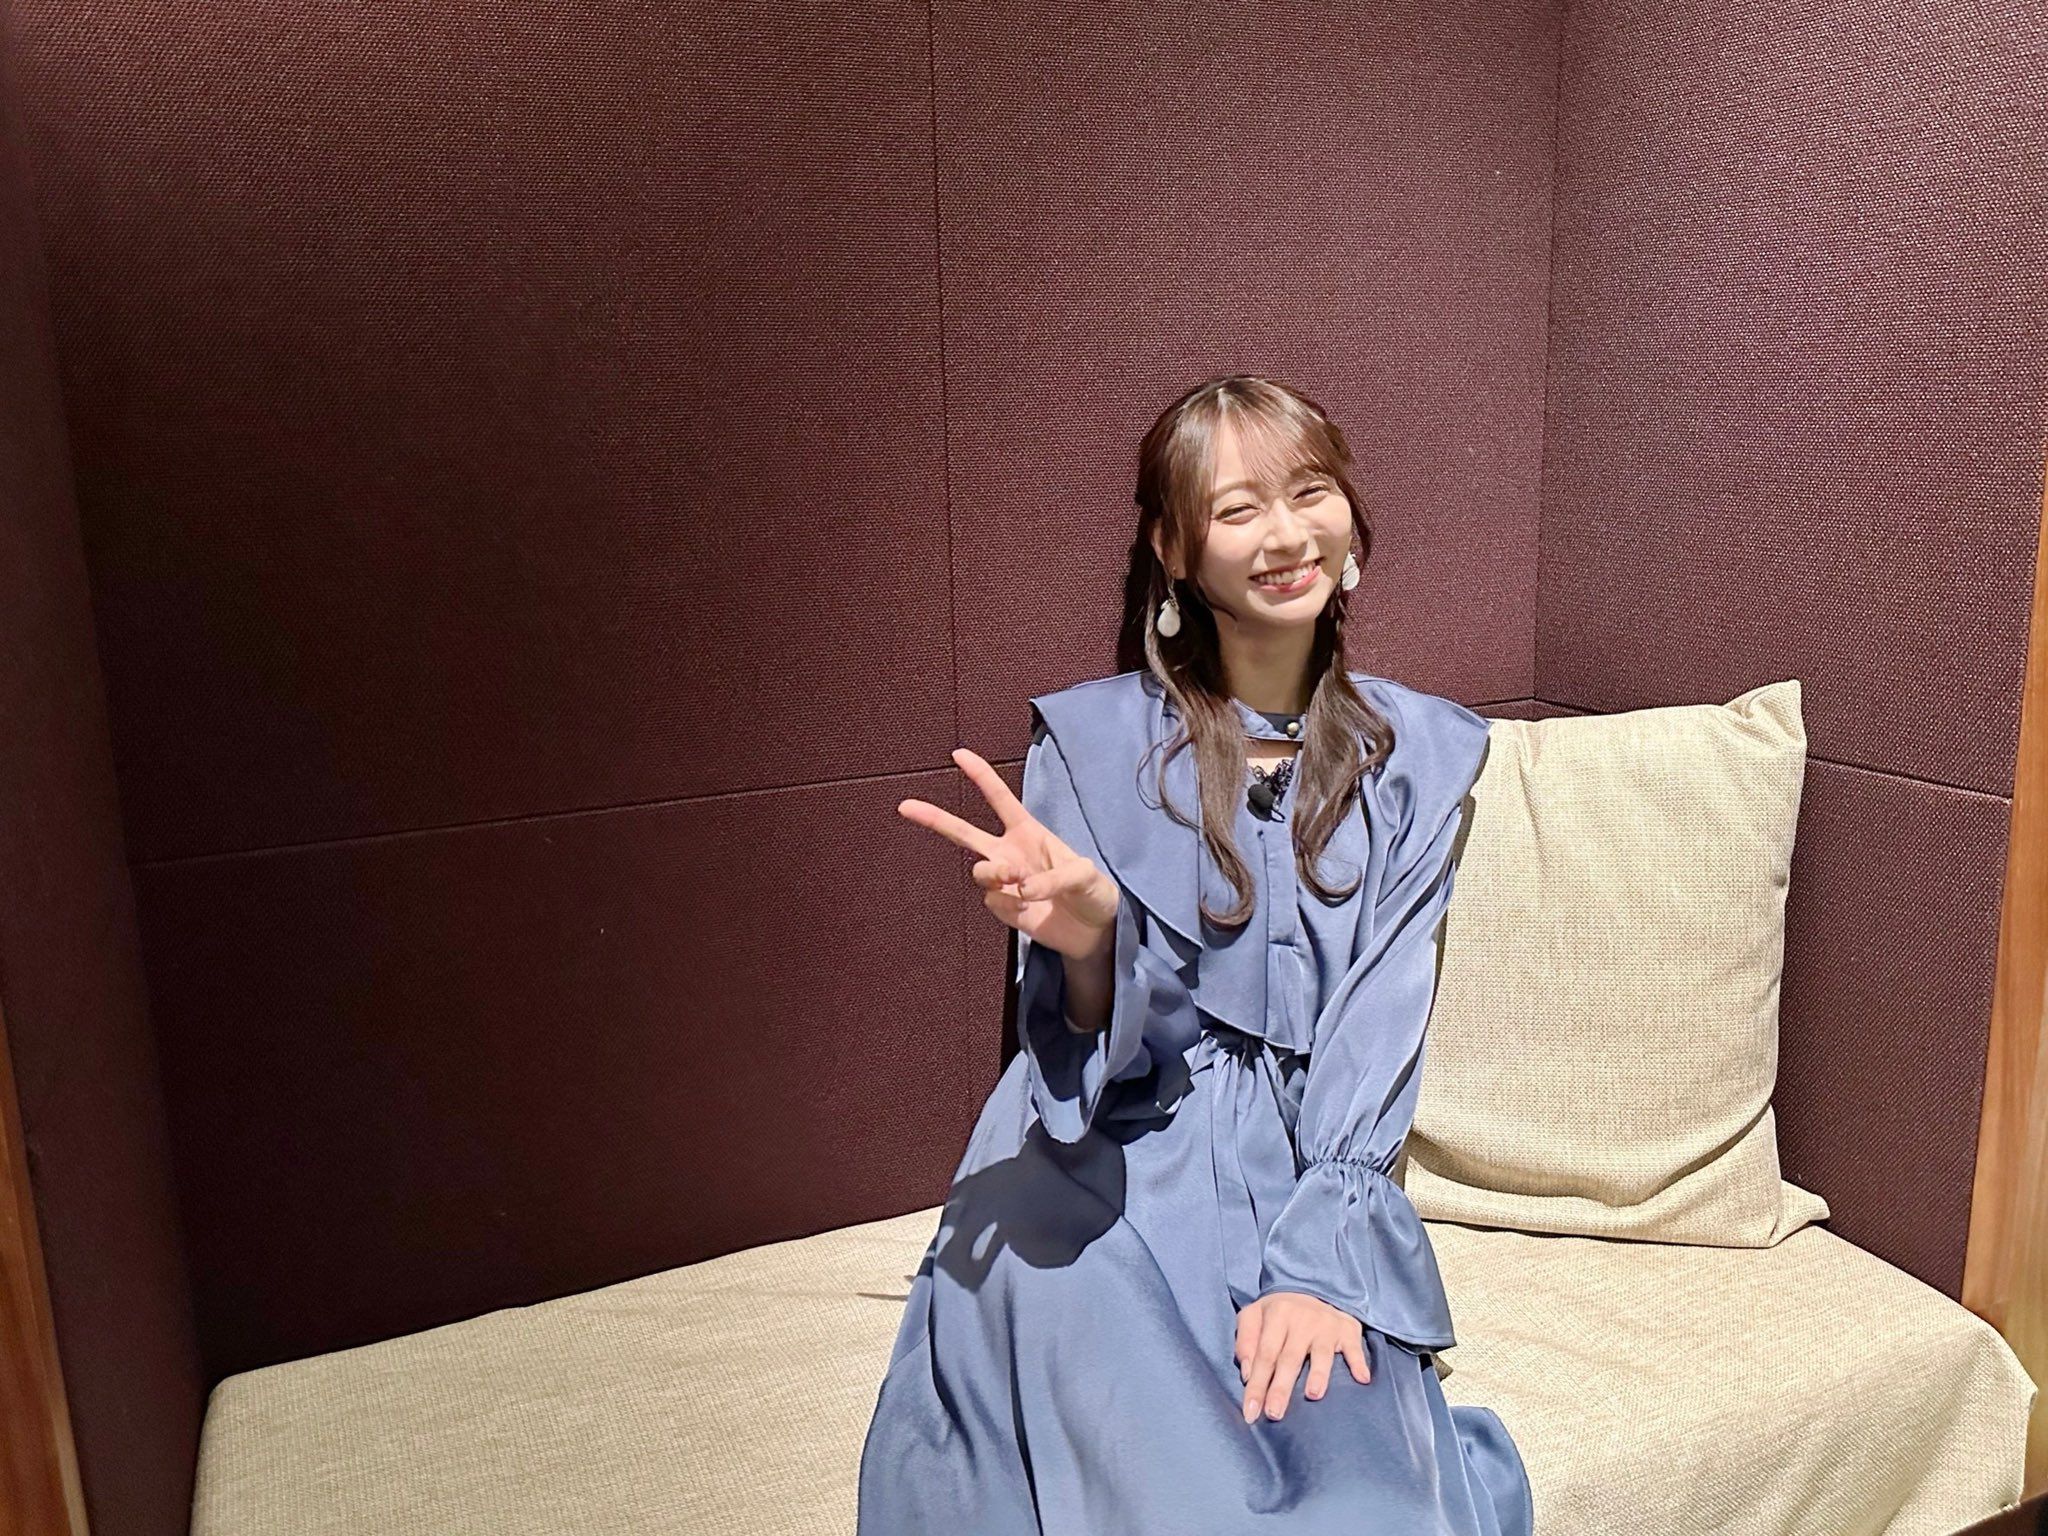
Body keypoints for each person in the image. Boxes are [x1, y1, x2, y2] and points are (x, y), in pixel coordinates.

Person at [856, 375, 1534, 1534]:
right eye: (1236, 508)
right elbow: (1082, 1058)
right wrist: (1091, 938)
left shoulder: (1418, 757)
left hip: (1303, 1169)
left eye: (1308, 492)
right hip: (1103, 1171)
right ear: (1172, 551)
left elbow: (1380, 1014)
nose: (1285, 534)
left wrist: (1320, 1263)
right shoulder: (1089, 743)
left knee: (1362, 1497)